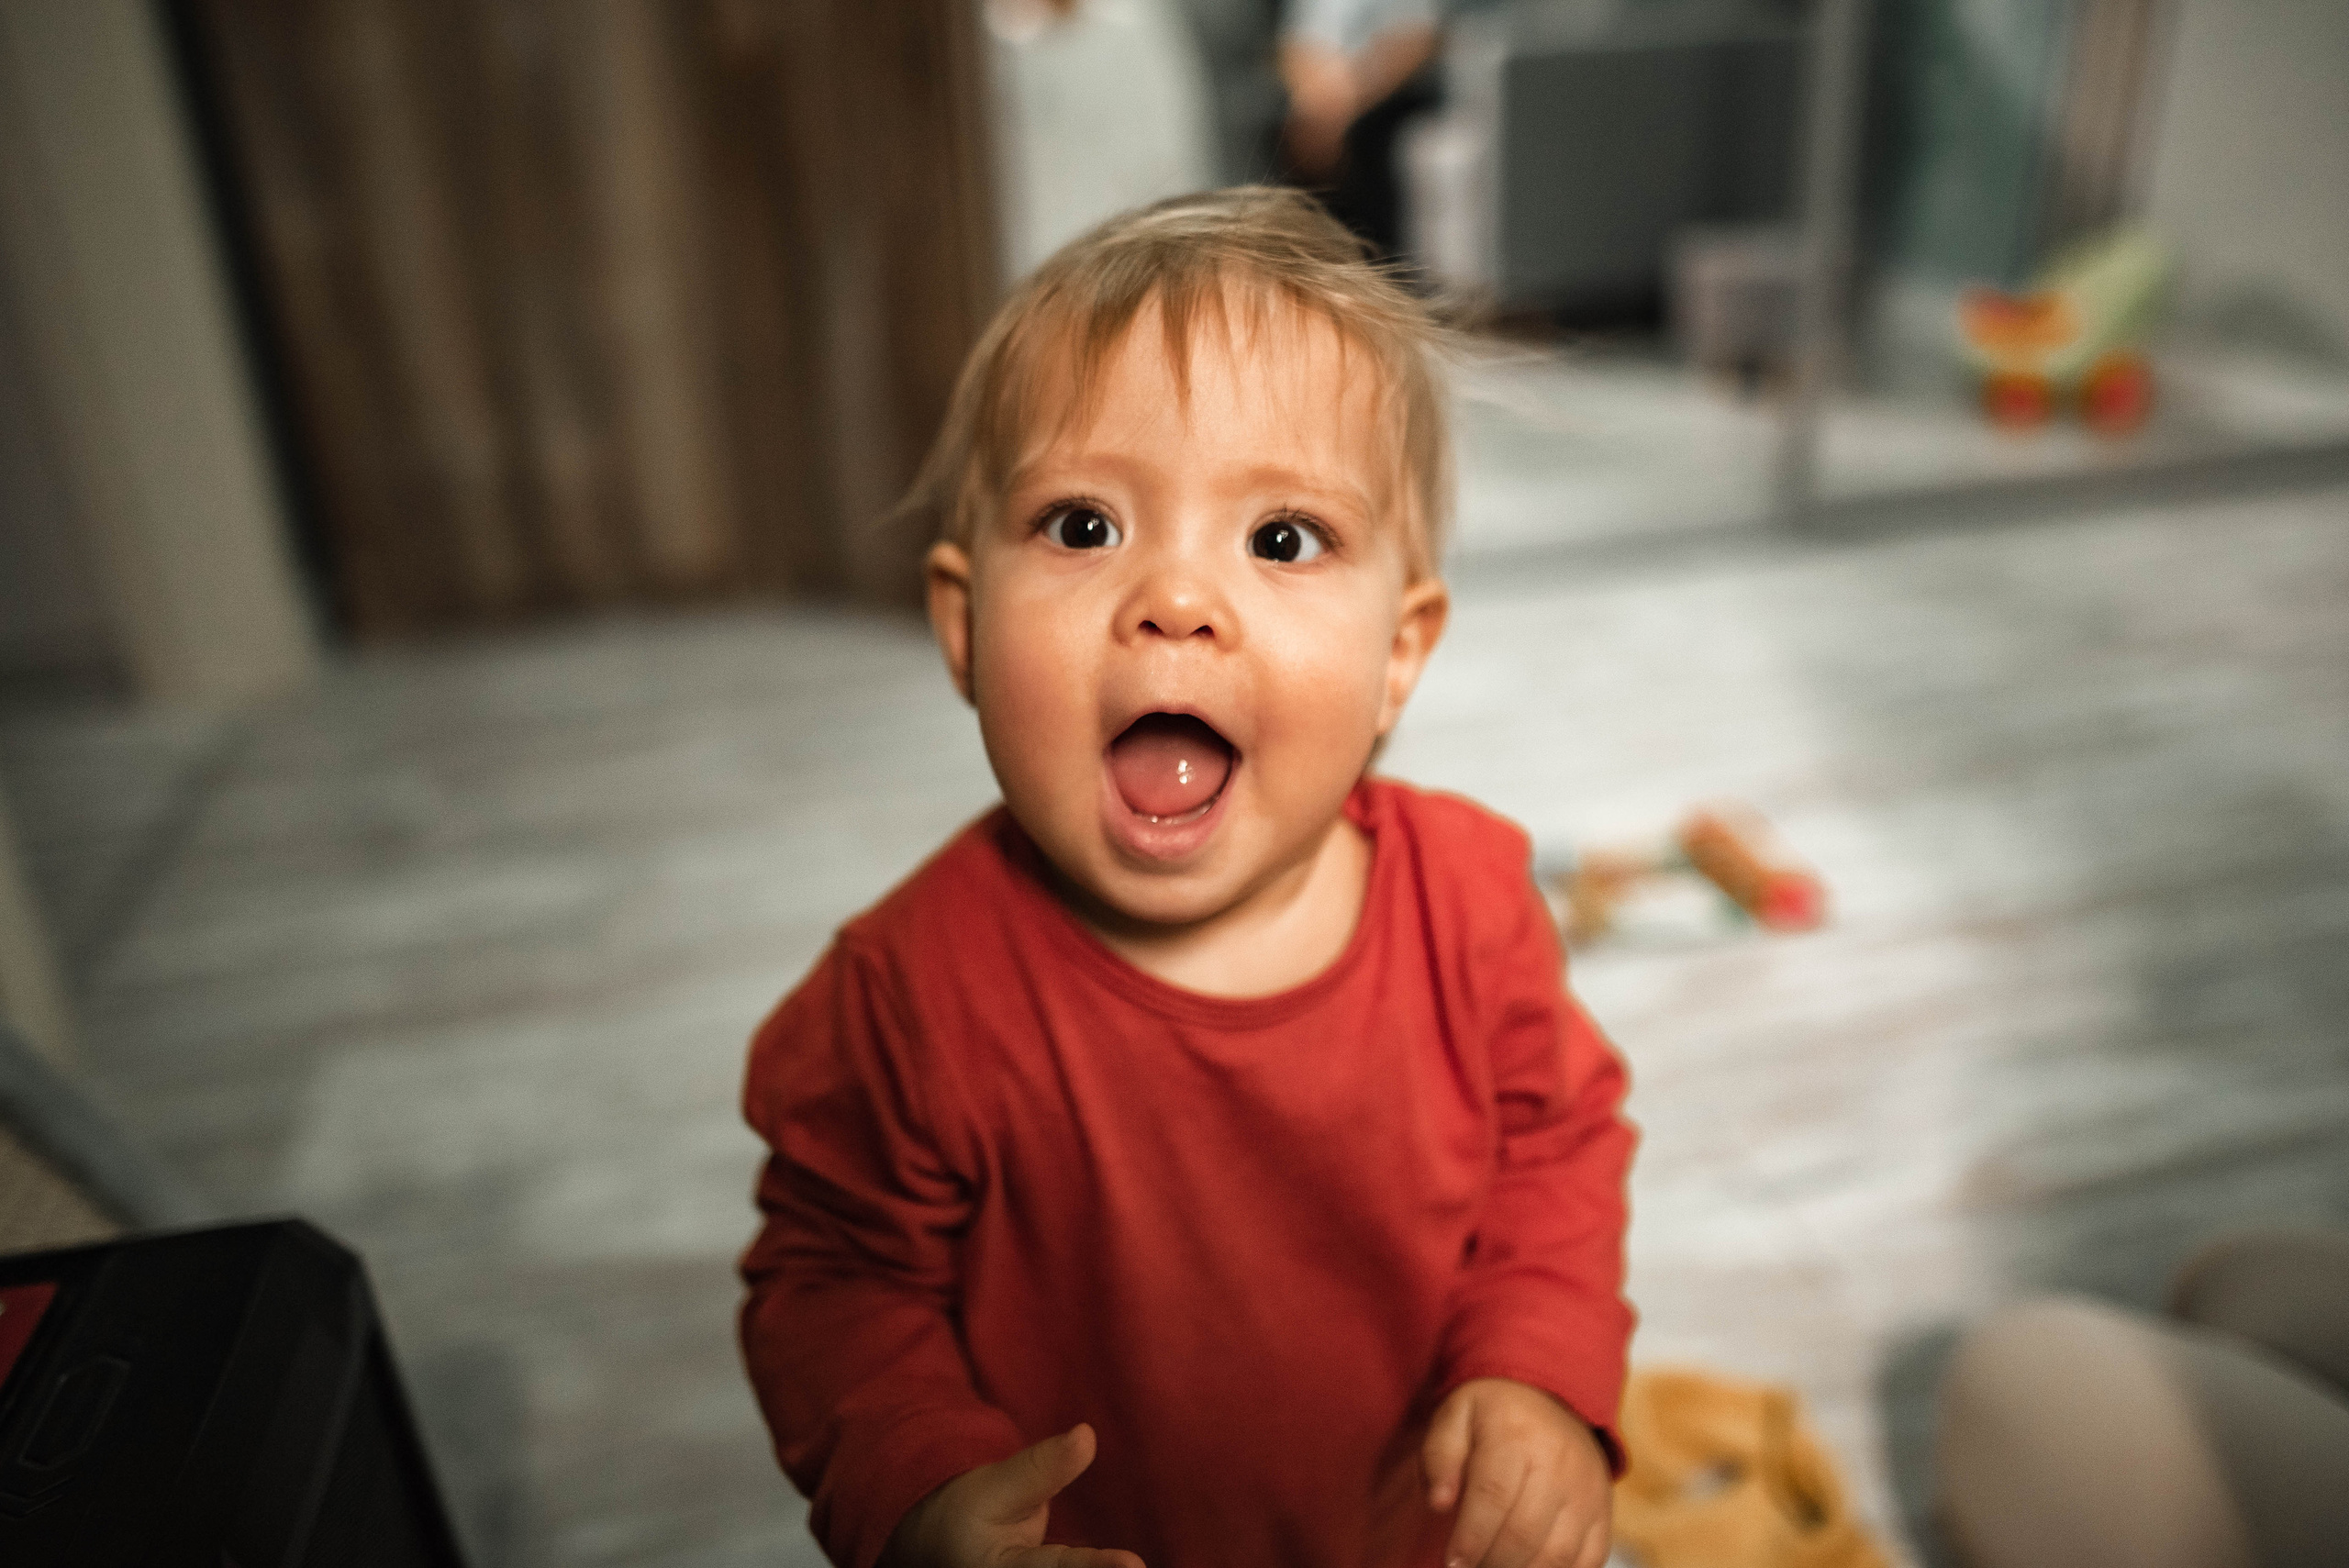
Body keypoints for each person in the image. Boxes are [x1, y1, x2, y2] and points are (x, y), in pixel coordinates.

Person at [737, 186, 1635, 1568]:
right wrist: (919, 1492)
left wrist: (1537, 1371)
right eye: (1085, 526)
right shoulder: (914, 993)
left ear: (1400, 654)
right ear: (964, 626)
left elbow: (1555, 1149)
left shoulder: (1466, 904)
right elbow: (833, 1276)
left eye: (1281, 539)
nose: (1174, 597)